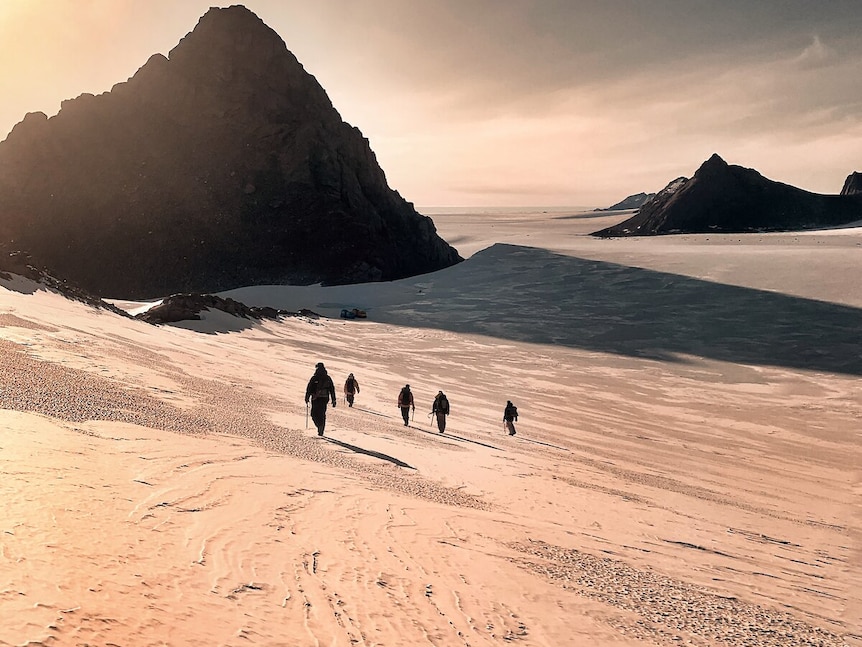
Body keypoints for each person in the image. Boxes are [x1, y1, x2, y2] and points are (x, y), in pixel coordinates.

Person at [305, 362, 336, 436]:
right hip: (324, 398)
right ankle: (321, 428)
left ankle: (319, 426)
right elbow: (332, 389)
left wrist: (307, 397)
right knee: (322, 413)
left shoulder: (314, 377)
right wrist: (333, 400)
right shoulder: (327, 378)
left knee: (314, 413)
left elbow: (309, 388)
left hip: (315, 398)